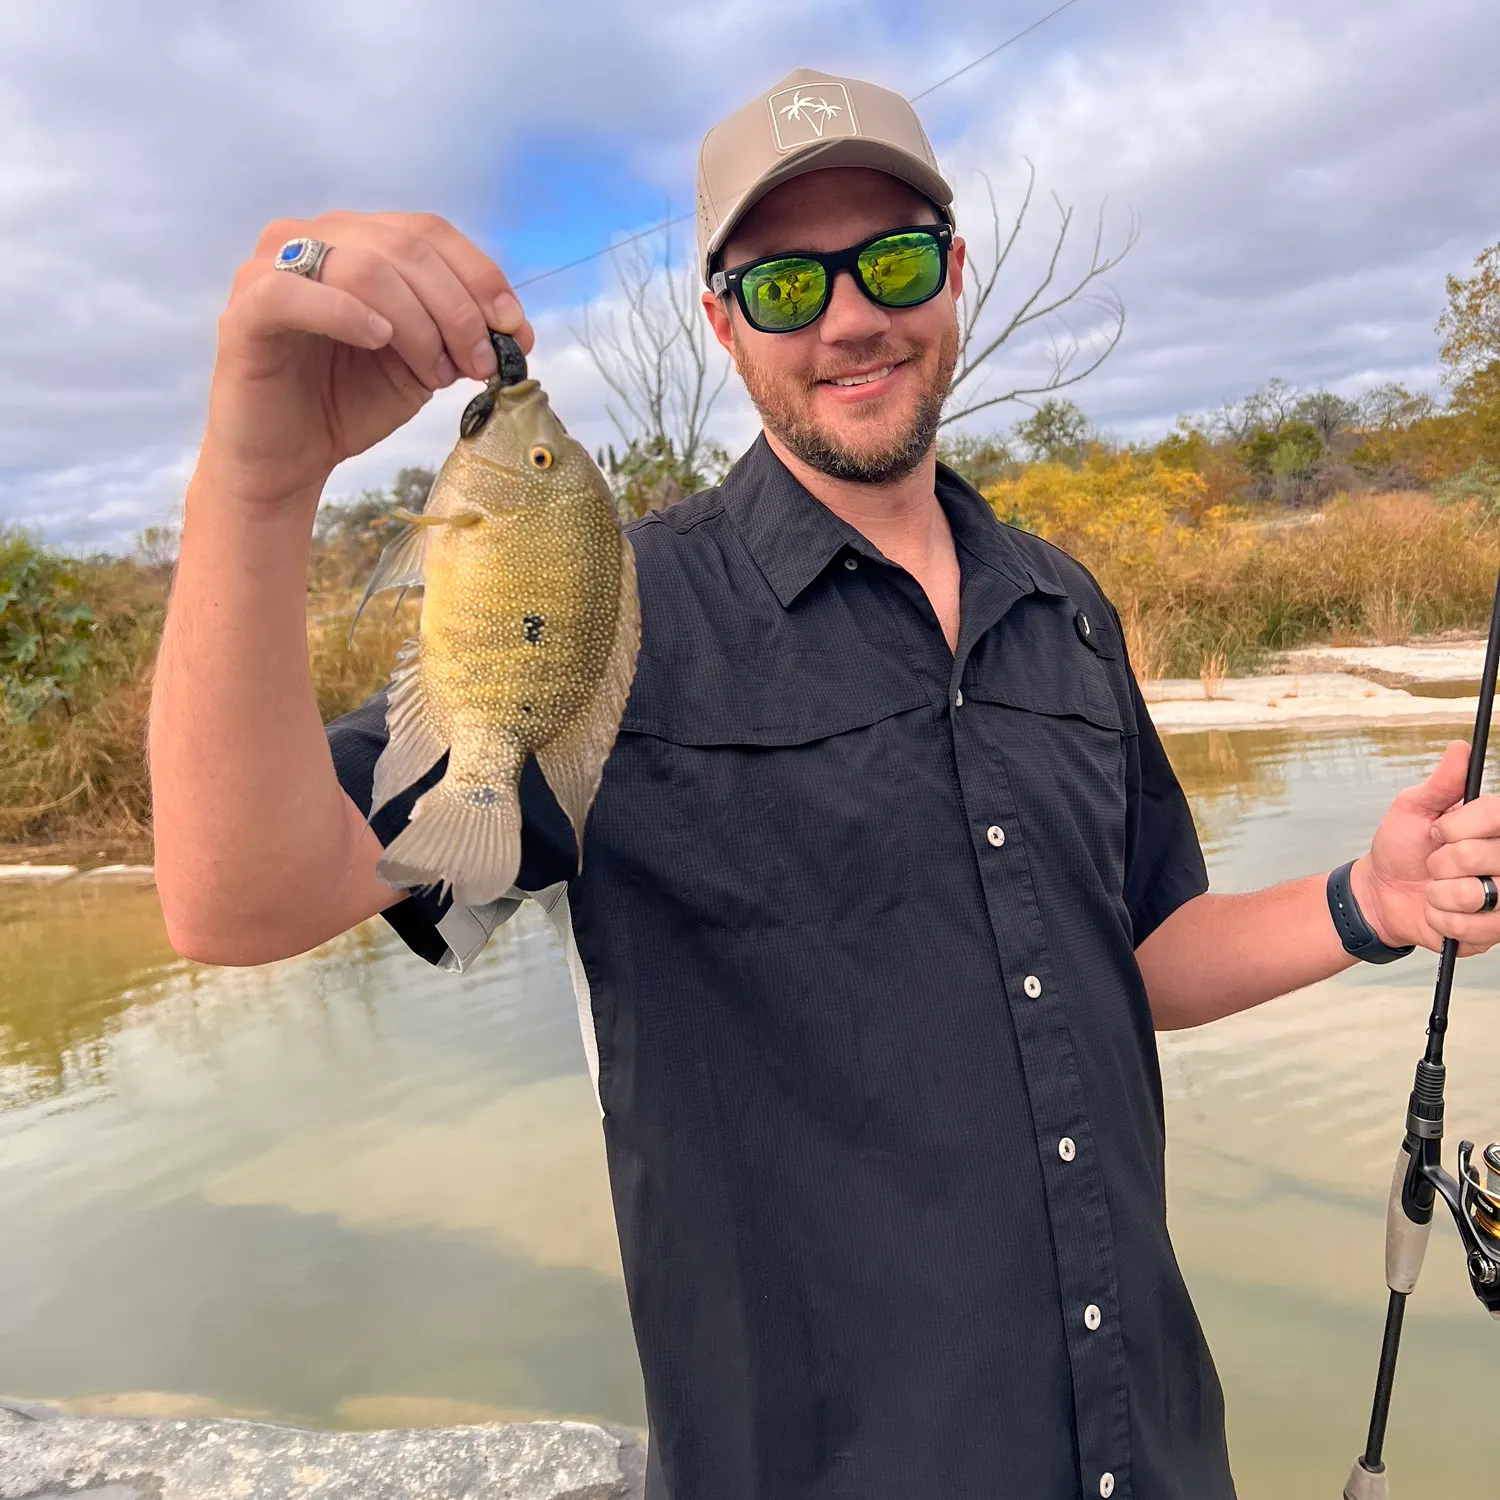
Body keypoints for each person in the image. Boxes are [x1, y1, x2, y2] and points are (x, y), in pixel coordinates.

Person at [149, 67, 1500, 1500]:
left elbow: (1137, 954)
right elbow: (239, 902)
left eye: (893, 261)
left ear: (953, 274)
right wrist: (258, 474)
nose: (851, 318)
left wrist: (1371, 900)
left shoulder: (1063, 607)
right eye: (788, 284)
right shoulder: (615, 614)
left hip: (1151, 1453)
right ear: (722, 322)